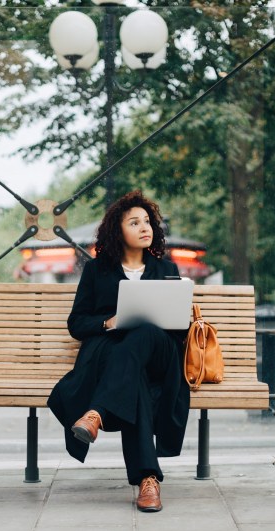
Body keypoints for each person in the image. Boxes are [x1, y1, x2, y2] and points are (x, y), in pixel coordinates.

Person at [47, 190, 190, 513]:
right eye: (134, 222)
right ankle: (148, 480)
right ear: (117, 230)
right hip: (114, 355)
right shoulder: (97, 270)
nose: (145, 227)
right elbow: (77, 323)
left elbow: (180, 328)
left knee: (145, 332)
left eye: (147, 221)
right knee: (134, 380)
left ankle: (95, 413)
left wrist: (175, 315)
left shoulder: (166, 269)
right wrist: (108, 322)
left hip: (160, 355)